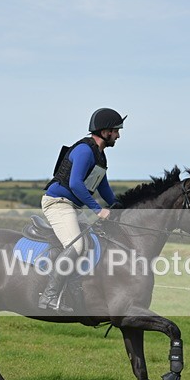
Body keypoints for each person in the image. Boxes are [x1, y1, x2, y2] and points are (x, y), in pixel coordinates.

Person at [38, 107, 125, 312]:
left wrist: (121, 208)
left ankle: (75, 292)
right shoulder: (85, 150)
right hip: (57, 202)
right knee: (76, 247)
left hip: (72, 206)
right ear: (105, 132)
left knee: (92, 243)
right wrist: (97, 210)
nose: (118, 135)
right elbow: (76, 184)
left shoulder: (101, 156)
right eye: (116, 131)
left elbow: (104, 190)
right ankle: (49, 297)